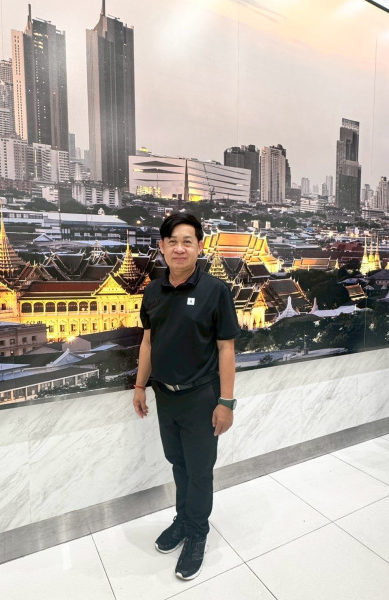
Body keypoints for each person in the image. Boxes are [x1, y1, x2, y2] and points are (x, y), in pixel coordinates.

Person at [133, 213, 240, 580]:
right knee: (178, 462)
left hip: (201, 397)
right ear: (162, 247)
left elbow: (226, 349)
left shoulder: (215, 291)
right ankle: (183, 519)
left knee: (199, 470)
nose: (179, 249)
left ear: (199, 246)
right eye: (173, 242)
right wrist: (139, 386)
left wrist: (226, 402)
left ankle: (197, 533)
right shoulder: (152, 291)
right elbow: (148, 342)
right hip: (165, 396)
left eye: (187, 241)